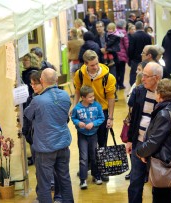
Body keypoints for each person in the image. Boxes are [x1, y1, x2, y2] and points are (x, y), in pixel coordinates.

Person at [24, 68, 74, 203]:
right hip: (63, 144)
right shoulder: (65, 96)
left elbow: (27, 115)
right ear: (56, 80)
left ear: (41, 80)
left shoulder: (38, 100)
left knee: (44, 184)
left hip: (45, 148)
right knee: (65, 179)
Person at [136, 78, 171, 203]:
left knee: (161, 197)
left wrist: (140, 152)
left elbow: (154, 141)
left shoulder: (164, 114)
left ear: (160, 94)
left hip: (164, 163)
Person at [73, 50, 116, 182]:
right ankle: (89, 167)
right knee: (85, 142)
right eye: (92, 65)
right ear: (85, 64)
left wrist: (110, 117)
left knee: (101, 143)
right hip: (84, 112)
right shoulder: (79, 74)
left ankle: (102, 170)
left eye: (97, 63)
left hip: (101, 111)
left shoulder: (108, 77)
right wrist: (74, 107)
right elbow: (77, 91)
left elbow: (111, 98)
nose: (96, 67)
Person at [126, 62, 163, 203]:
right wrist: (130, 140)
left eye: (146, 76)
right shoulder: (139, 91)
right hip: (139, 144)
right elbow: (134, 118)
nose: (142, 79)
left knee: (158, 183)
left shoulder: (166, 95)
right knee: (135, 182)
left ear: (157, 78)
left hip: (157, 147)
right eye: (143, 75)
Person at [71, 85, 105, 189]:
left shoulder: (97, 106)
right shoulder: (77, 108)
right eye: (90, 97)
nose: (92, 98)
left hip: (93, 135)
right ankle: (83, 179)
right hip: (82, 136)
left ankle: (96, 175)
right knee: (83, 157)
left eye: (93, 96)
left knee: (94, 156)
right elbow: (73, 118)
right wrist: (78, 123)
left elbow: (101, 118)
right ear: (83, 97)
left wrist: (93, 124)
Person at [128, 21, 152, 86]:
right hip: (146, 60)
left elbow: (130, 49)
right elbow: (150, 48)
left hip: (135, 60)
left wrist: (130, 59)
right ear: (142, 27)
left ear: (135, 27)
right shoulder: (148, 36)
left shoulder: (133, 36)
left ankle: (134, 88)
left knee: (134, 75)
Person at [116, 19, 129, 90]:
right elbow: (126, 44)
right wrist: (128, 53)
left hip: (115, 54)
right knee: (122, 70)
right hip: (122, 54)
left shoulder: (114, 31)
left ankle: (117, 83)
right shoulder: (124, 32)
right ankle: (121, 84)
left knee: (116, 70)